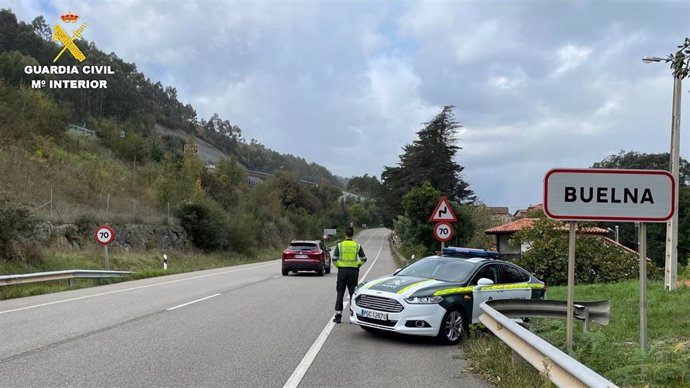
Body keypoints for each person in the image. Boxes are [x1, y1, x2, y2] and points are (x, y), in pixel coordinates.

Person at [332, 226, 367, 323]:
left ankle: (338, 316)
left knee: (340, 293)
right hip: (353, 272)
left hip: (342, 271)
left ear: (345, 234)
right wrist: (357, 265)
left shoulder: (340, 245)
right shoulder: (357, 245)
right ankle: (352, 316)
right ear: (353, 234)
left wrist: (339, 266)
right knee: (353, 293)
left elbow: (334, 259)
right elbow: (364, 259)